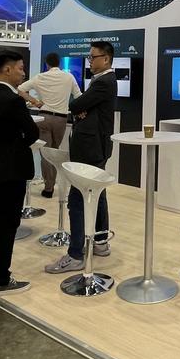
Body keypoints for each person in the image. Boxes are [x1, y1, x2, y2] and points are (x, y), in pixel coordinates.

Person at [46, 42, 118, 274]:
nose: (90, 62)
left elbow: (75, 104)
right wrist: (81, 109)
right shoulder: (101, 81)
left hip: (91, 149)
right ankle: (100, 242)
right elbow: (81, 107)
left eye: (93, 57)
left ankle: (76, 254)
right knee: (98, 194)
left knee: (77, 199)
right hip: (95, 147)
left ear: (105, 59)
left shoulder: (104, 82)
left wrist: (80, 108)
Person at [0, 51, 40, 295]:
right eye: (20, 68)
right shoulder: (13, 100)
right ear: (7, 69)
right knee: (7, 223)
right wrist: (20, 140)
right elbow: (32, 132)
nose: (23, 72)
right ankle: (1, 279)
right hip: (12, 169)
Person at [18, 52, 81, 198]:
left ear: (47, 64)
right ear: (59, 63)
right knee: (54, 151)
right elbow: (78, 96)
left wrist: (34, 101)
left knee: (46, 153)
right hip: (61, 119)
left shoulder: (40, 77)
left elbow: (19, 89)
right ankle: (53, 183)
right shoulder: (68, 77)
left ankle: (48, 188)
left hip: (44, 118)